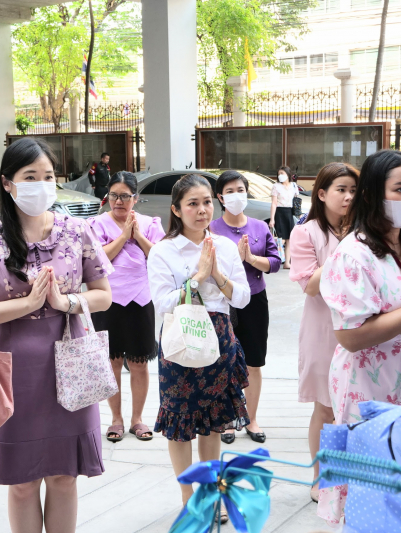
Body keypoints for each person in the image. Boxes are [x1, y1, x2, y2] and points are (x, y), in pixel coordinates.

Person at [0, 137, 113, 533]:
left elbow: (103, 296)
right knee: (24, 483)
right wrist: (26, 306)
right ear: (7, 183)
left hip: (71, 361)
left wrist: (67, 304)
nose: (41, 184)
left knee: (64, 477)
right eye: (30, 176)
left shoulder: (76, 230)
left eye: (47, 176)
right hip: (14, 368)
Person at [318, 150, 401, 524]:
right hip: (368, 390)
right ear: (372, 195)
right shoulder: (353, 255)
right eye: (400, 189)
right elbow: (351, 336)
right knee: (371, 493)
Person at [146, 173, 251, 518]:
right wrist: (197, 279)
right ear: (176, 210)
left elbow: (243, 298)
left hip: (219, 341)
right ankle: (187, 496)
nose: (202, 210)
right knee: (179, 424)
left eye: (207, 202)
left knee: (213, 422)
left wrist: (216, 275)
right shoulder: (163, 251)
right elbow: (162, 304)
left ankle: (210, 493)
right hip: (179, 345)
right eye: (193, 203)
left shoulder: (223, 246)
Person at [288, 162, 358, 503]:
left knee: (356, 409)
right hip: (322, 331)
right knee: (326, 409)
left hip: (361, 331)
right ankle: (321, 477)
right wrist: (343, 248)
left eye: (353, 190)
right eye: (341, 189)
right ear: (321, 194)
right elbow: (310, 286)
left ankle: (351, 476)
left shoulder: (364, 229)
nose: (348, 197)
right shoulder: (306, 232)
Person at [89, 171, 165, 443]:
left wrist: (138, 235)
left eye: (124, 196)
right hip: (107, 299)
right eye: (113, 196)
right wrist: (123, 237)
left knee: (139, 363)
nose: (118, 201)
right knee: (113, 362)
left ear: (135, 198)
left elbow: (158, 257)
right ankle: (116, 419)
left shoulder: (149, 223)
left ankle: (137, 419)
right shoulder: (96, 225)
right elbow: (97, 260)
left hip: (141, 298)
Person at [210, 170, 281, 445]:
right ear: (220, 197)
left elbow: (275, 262)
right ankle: (226, 419)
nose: (236, 195)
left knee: (254, 362)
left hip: (254, 300)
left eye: (240, 190)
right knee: (223, 361)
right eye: (229, 191)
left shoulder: (260, 227)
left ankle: (251, 419)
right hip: (222, 303)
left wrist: (250, 258)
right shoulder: (213, 229)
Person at [270, 165, 299, 269]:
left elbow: (296, 201)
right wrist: (272, 219)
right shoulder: (276, 186)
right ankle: (274, 260)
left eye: (282, 173)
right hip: (280, 212)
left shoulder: (294, 186)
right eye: (279, 174)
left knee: (289, 239)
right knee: (280, 239)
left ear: (288, 174)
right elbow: (273, 203)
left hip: (289, 212)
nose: (280, 176)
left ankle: (287, 262)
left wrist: (298, 214)